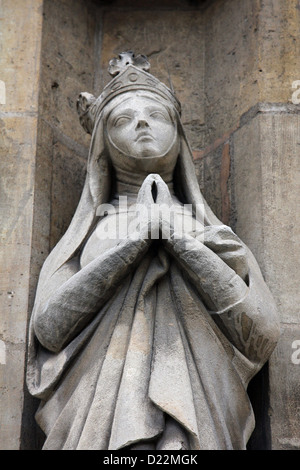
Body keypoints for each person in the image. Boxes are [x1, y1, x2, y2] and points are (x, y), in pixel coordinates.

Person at [26, 52, 280, 450]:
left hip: (203, 411)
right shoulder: (83, 237)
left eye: (156, 116)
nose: (142, 123)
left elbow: (261, 333)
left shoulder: (213, 232)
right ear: (102, 150)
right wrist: (134, 243)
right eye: (122, 120)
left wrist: (179, 240)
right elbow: (49, 329)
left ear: (179, 137)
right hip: (101, 412)